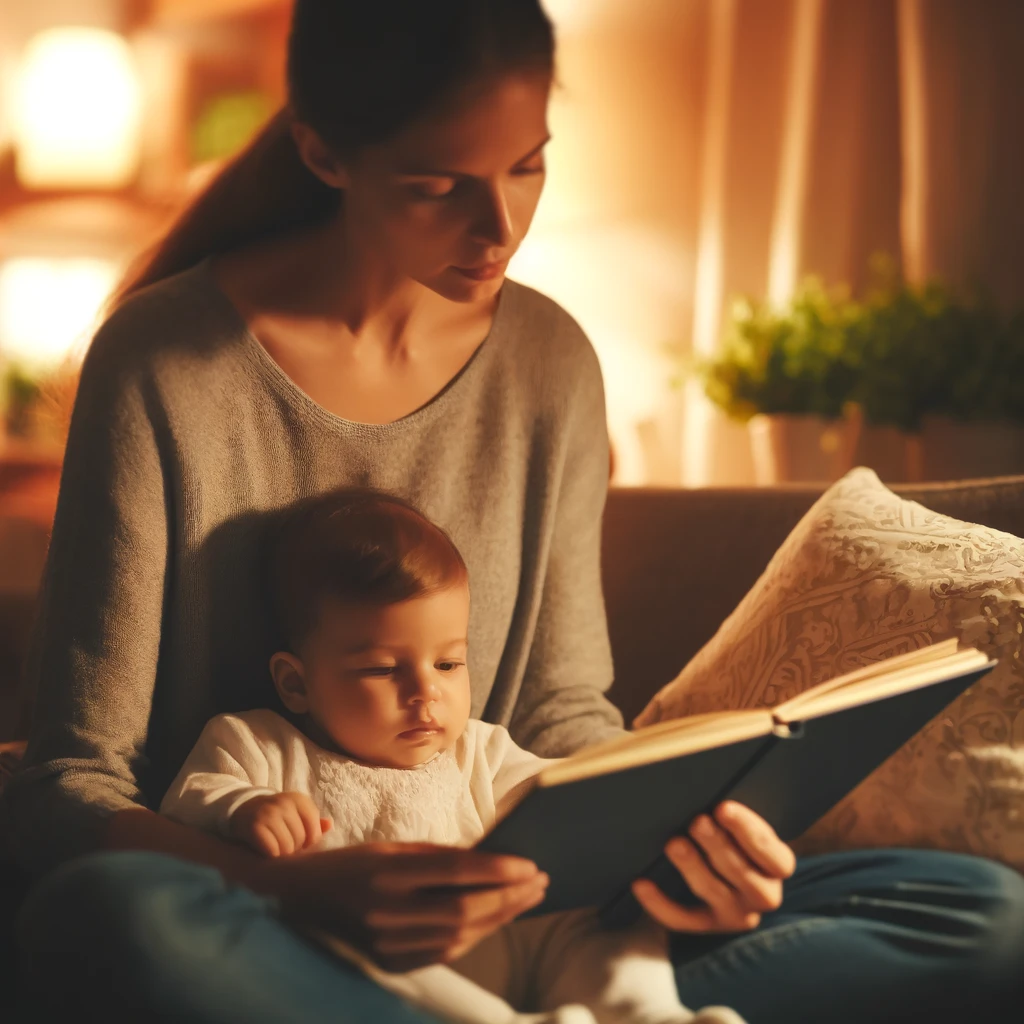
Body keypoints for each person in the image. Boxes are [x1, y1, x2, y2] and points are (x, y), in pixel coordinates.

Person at [4, 2, 1023, 1022]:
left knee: (977, 911)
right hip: (269, 920)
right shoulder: (162, 366)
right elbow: (69, 785)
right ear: (321, 150)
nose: (498, 226)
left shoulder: (550, 365)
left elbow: (558, 718)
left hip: (527, 927)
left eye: (526, 165)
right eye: (437, 185)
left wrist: (684, 842)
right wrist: (290, 884)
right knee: (113, 915)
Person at [159, 486, 746, 1024]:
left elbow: (564, 797)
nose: (425, 692)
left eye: (448, 663)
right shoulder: (261, 744)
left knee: (592, 921)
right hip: (395, 954)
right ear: (296, 684)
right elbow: (186, 800)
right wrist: (244, 808)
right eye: (382, 669)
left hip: (505, 937)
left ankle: (644, 1012)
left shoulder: (480, 750)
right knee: (322, 946)